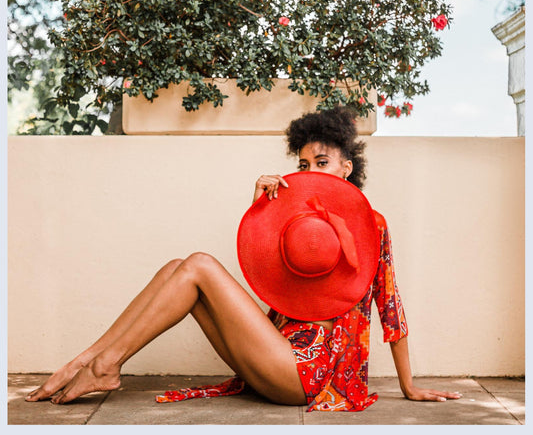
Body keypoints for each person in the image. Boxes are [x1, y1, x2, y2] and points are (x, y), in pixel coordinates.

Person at [26, 106, 462, 410]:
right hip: (274, 355)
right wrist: (262, 212)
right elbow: (267, 276)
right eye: (303, 164)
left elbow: (390, 304)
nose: (309, 172)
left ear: (346, 168)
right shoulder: (295, 219)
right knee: (177, 268)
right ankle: (88, 360)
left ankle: (105, 365)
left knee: (198, 264)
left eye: (322, 162)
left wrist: (409, 385)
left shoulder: (372, 224)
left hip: (308, 375)